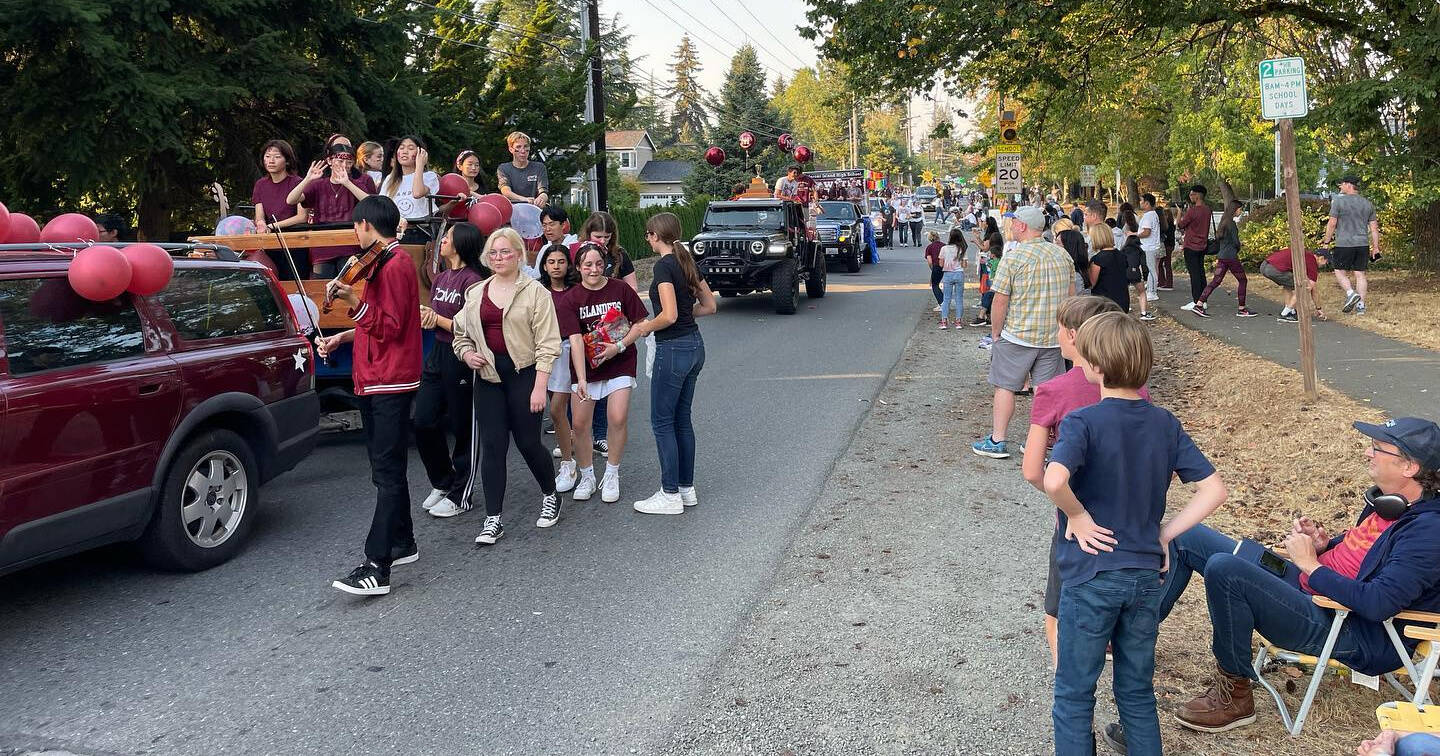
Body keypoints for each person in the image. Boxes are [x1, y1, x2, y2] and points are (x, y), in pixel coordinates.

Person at [1137, 417, 1440, 736]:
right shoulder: (1389, 503)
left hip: (1349, 629)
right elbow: (1366, 553)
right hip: (1311, 589)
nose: (1367, 452)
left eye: (1378, 448)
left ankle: (1235, 696)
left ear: (1409, 467)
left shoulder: (1428, 533)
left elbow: (1379, 603)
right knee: (1186, 535)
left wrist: (1312, 566)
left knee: (1226, 570)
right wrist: (1325, 546)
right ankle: (1135, 633)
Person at [1043, 311, 1227, 755]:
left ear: (1096, 366)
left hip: (1091, 575)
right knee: (1137, 692)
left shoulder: (1083, 422)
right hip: (1145, 578)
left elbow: (1052, 480)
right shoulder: (1165, 423)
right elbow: (1214, 490)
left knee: (1074, 693)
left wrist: (1078, 516)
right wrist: (1164, 536)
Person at [1020, 296, 1150, 665]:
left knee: (1058, 611)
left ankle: (1071, 692)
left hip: (1076, 523)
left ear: (1075, 336)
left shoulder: (1053, 391)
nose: (1057, 336)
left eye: (1060, 329)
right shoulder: (1138, 391)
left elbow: (1033, 471)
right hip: (1131, 525)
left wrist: (1072, 507)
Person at [322, 196, 423, 597]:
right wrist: (343, 335)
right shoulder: (381, 263)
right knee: (386, 467)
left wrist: (351, 301)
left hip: (390, 380)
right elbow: (375, 323)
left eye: (355, 226)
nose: (354, 233)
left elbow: (393, 327)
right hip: (374, 377)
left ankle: (377, 563)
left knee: (386, 471)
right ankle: (403, 543)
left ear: (365, 225)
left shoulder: (395, 264)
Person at [451, 228, 563, 541]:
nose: (499, 258)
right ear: (487, 257)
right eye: (494, 253)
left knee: (528, 443)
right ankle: (493, 518)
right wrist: (467, 353)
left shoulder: (535, 292)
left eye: (506, 252)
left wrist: (541, 386)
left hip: (524, 375)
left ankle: (551, 493)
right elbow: (461, 333)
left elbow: (548, 343)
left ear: (518, 255)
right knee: (493, 446)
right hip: (488, 377)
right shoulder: (476, 292)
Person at [631, 212, 718, 514]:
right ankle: (686, 489)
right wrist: (684, 313)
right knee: (682, 419)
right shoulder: (687, 262)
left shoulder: (664, 266)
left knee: (662, 422)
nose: (647, 238)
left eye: (647, 234)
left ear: (655, 235)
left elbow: (667, 315)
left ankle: (669, 494)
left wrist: (644, 327)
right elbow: (710, 306)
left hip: (673, 348)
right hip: (694, 345)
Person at [972, 206, 1075, 459]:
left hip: (1018, 333)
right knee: (1045, 390)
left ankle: (998, 439)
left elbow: (1000, 300)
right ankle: (1038, 443)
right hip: (1053, 336)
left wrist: (996, 333)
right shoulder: (1062, 256)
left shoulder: (1014, 258)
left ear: (1022, 226)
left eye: (1014, 222)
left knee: (1005, 386)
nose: (1011, 226)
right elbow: (1073, 298)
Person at [559, 243, 650, 505]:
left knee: (617, 417)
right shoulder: (571, 299)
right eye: (587, 265)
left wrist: (618, 347)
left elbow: (640, 324)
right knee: (579, 424)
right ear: (578, 267)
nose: (594, 269)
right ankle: (587, 475)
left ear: (605, 264)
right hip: (586, 368)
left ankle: (611, 473)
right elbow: (575, 341)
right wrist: (581, 379)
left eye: (599, 263)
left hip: (620, 361)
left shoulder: (620, 289)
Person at [415, 222, 490, 519]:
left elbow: (473, 326)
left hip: (463, 354)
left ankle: (462, 494)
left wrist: (438, 320)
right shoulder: (441, 278)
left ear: (460, 244)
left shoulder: (473, 281)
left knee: (463, 427)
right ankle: (443, 481)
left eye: (446, 238)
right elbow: (436, 316)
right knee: (423, 420)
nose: (442, 241)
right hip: (437, 353)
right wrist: (427, 317)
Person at [290, 136, 376, 278]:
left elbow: (371, 203)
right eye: (340, 161)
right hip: (322, 246)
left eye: (348, 162)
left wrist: (347, 183)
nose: (344, 165)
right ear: (329, 161)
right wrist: (307, 179)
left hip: (351, 245)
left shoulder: (358, 182)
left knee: (349, 284)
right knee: (321, 286)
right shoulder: (318, 185)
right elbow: (291, 200)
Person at [540, 243, 582, 499]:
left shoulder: (576, 292)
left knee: (558, 409)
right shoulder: (537, 291)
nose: (556, 266)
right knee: (556, 413)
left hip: (570, 351)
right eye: (551, 262)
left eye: (561, 261)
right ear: (544, 265)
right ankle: (569, 455)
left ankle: (570, 462)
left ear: (569, 265)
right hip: (544, 354)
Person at [1322, 175, 1381, 315]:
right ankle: (1361, 306)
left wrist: (1326, 242)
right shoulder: (1367, 203)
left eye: (1341, 184)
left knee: (1339, 271)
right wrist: (1376, 247)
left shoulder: (1338, 202)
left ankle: (1350, 293)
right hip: (1362, 244)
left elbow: (1332, 223)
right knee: (1360, 274)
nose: (1340, 187)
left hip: (1344, 243)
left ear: (1349, 185)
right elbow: (1374, 228)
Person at [1191, 200, 1256, 318]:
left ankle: (1199, 304)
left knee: (1216, 281)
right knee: (1243, 280)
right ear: (1235, 209)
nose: (1240, 211)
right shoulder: (1231, 224)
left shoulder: (1223, 222)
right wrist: (1239, 247)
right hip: (1231, 257)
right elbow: (1236, 242)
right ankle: (1242, 308)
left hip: (1222, 256)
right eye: (1240, 209)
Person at [380, 135, 438, 239]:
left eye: (410, 148)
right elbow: (382, 203)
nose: (404, 151)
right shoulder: (390, 179)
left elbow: (417, 193)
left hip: (420, 230)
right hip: (394, 231)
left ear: (421, 153)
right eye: (401, 148)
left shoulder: (429, 176)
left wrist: (420, 165)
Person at [251, 139, 305, 235]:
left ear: (287, 161)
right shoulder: (260, 184)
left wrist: (272, 226)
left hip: (294, 237)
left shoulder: (297, 183)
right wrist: (261, 224)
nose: (271, 161)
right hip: (268, 238)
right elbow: (260, 217)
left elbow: (302, 217)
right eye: (267, 156)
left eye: (277, 157)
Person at [1263, 246, 1325, 323]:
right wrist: (1319, 308)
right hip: (1274, 269)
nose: (1326, 264)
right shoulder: (1312, 261)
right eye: (1327, 261)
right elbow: (1312, 289)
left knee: (1288, 285)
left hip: (1264, 266)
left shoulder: (1306, 255)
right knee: (1303, 288)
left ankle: (1291, 311)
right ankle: (1285, 314)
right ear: (1321, 258)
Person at [1175, 185, 1212, 310]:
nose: (1190, 197)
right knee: (1201, 272)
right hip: (1202, 244)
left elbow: (1180, 224)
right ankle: (1203, 299)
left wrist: (1179, 212)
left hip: (1191, 245)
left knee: (1194, 274)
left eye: (1192, 194)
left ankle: (1197, 301)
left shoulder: (1193, 210)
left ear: (1197, 195)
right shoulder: (1207, 210)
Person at [1116, 203, 1154, 321]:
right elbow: (1143, 263)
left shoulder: (1121, 238)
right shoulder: (1138, 244)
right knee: (1142, 292)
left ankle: (1124, 311)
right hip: (1135, 271)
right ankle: (1143, 313)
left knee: (1124, 291)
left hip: (1123, 271)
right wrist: (1145, 274)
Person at [497, 131, 549, 207]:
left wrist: (542, 198)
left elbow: (543, 191)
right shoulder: (503, 168)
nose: (523, 151)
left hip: (535, 209)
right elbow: (505, 191)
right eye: (518, 147)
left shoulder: (539, 167)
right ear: (511, 149)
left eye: (526, 146)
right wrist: (524, 199)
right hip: (513, 210)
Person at [1087, 224, 1130, 313]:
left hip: (1105, 303)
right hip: (1122, 299)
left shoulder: (1098, 259)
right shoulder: (1121, 255)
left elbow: (1091, 283)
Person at [972, 230, 1004, 331]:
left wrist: (984, 260)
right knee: (991, 297)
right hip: (998, 280)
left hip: (990, 278)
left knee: (987, 295)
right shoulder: (1002, 253)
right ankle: (989, 318)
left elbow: (986, 264)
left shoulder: (992, 256)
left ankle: (982, 316)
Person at [937, 227, 967, 329]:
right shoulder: (961, 248)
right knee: (959, 298)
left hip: (948, 274)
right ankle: (958, 321)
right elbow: (964, 265)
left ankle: (944, 321)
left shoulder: (944, 249)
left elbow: (941, 264)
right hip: (959, 274)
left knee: (946, 299)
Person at [1053, 217, 1089, 296]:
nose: (1054, 245)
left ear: (1068, 246)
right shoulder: (1076, 271)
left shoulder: (1075, 276)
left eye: (1058, 242)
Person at [1137, 194, 1163, 302]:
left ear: (1147, 203)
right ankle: (1151, 290)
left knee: (1151, 270)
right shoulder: (1153, 214)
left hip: (1150, 247)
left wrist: (1135, 235)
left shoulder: (1148, 216)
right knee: (1152, 269)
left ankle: (1152, 292)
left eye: (1141, 201)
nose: (1140, 203)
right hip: (1152, 246)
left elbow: (1147, 232)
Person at [923, 230, 944, 313]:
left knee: (935, 285)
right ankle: (944, 302)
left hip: (936, 266)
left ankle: (942, 303)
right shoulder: (943, 245)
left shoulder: (929, 247)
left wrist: (932, 269)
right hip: (945, 266)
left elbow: (930, 261)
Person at [1157, 205, 1177, 290]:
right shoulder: (1171, 225)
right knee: (1163, 264)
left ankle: (1167, 283)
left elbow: (1166, 236)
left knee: (1164, 264)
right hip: (1170, 245)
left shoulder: (1168, 225)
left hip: (1167, 245)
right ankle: (1164, 282)